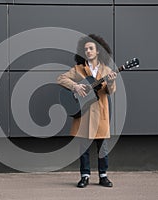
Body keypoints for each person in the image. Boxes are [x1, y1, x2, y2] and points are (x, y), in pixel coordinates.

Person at [57, 34, 117, 188]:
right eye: (86, 49)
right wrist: (75, 86)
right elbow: (61, 78)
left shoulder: (106, 70)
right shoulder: (78, 69)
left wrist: (110, 81)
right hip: (84, 114)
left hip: (101, 113)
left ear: (98, 51)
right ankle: (85, 176)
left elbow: (111, 91)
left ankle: (103, 176)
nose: (88, 51)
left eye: (91, 48)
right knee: (83, 148)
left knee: (102, 147)